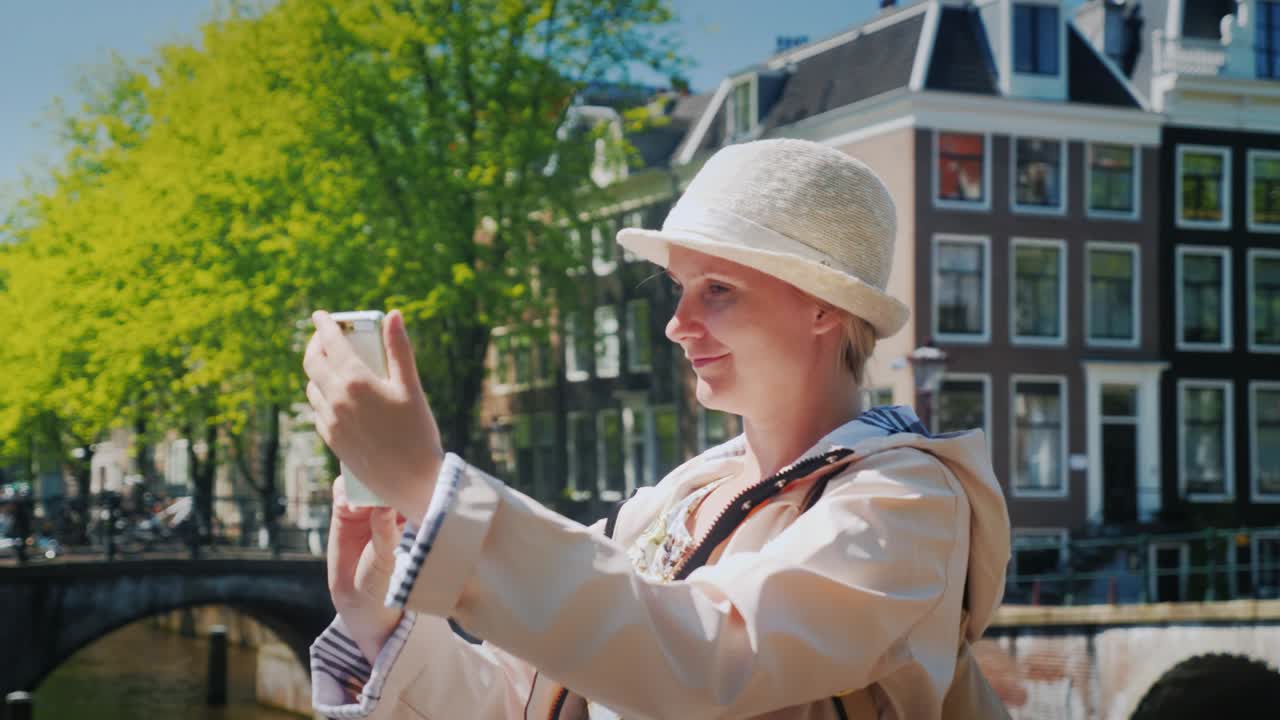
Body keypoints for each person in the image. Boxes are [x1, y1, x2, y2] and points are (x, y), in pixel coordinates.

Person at [302, 138, 1011, 719]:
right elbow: (521, 701)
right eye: (680, 290)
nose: (678, 325)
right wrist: (380, 622)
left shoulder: (908, 503)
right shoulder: (672, 500)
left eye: (718, 291)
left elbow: (708, 662)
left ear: (824, 307)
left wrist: (431, 490)